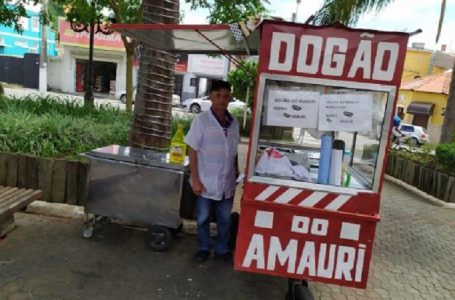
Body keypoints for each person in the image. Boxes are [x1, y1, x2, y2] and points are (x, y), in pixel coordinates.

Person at [184, 80, 240, 264]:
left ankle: (223, 249)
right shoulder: (201, 120)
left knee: (224, 219)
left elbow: (234, 152)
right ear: (211, 96)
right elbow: (192, 149)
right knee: (203, 218)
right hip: (205, 181)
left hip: (227, 182)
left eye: (225, 96)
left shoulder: (234, 123)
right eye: (218, 96)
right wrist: (196, 179)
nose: (222, 100)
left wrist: (237, 172)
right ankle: (204, 248)